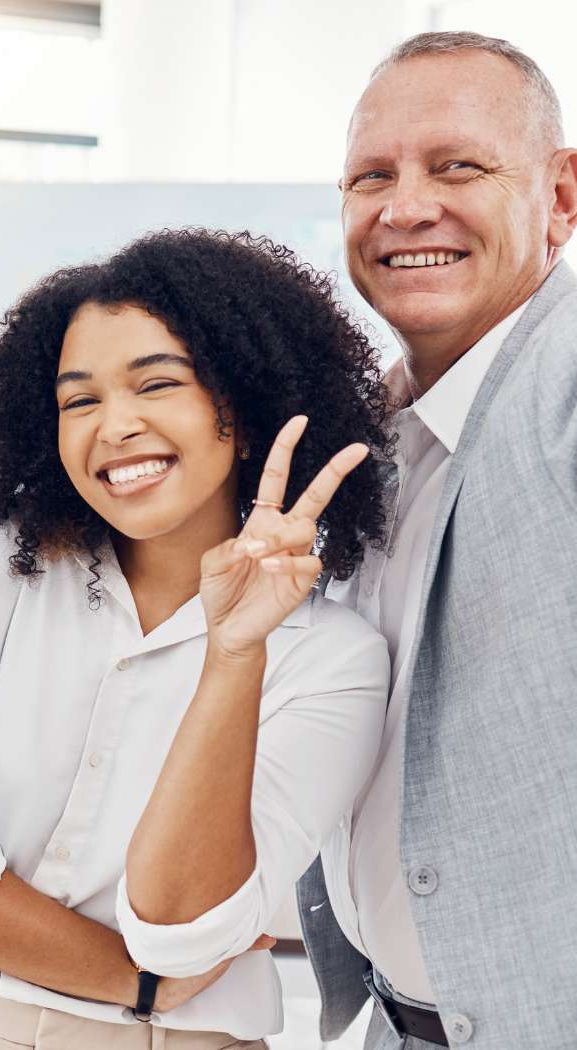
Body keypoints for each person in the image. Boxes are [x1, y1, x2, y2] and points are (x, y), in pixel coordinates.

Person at [0, 229, 394, 1048]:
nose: (114, 426)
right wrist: (137, 983)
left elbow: (184, 931)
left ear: (243, 413)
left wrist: (234, 654)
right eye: (80, 400)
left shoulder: (334, 660)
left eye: (157, 383)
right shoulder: (0, 558)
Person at [296, 31, 577, 1050]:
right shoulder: (369, 439)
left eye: (455, 165)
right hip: (396, 1026)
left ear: (560, 197)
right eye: (370, 176)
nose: (403, 206)